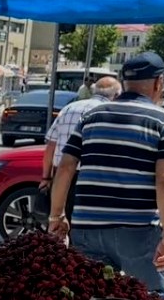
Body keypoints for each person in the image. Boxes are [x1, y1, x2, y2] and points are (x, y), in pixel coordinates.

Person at [48, 52, 164, 293]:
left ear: (125, 82)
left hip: (87, 228)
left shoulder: (91, 117)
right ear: (158, 82)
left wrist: (56, 216)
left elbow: (66, 166)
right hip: (138, 231)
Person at [38, 75, 122, 220]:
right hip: (91, 180)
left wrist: (46, 177)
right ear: (116, 95)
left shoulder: (69, 108)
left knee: (58, 225)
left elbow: (51, 146)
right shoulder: (111, 113)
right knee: (84, 227)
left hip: (60, 176)